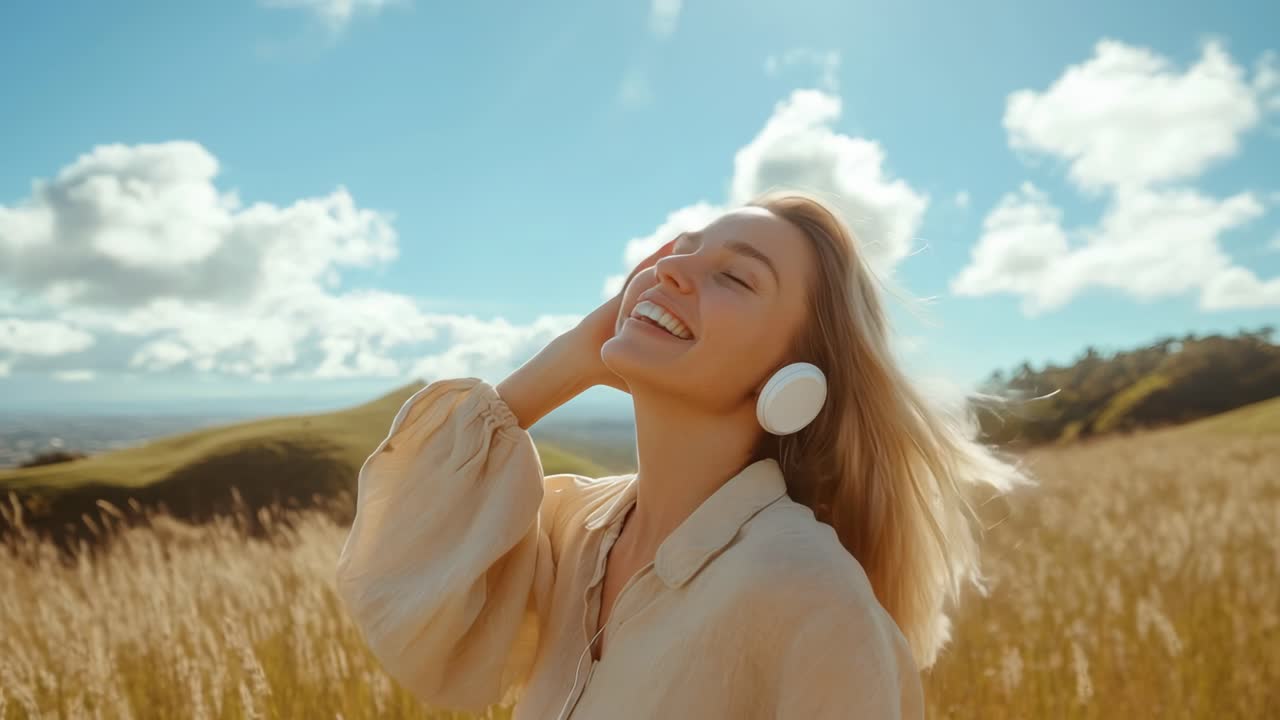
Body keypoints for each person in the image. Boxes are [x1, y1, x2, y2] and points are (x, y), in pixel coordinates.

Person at [335, 189, 1036, 719]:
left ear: (793, 377)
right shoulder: (576, 527)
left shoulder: (809, 594)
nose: (671, 271)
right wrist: (574, 355)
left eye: (735, 278)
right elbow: (393, 581)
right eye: (679, 251)